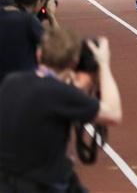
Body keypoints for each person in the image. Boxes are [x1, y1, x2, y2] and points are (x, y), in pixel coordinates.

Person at [0, 28, 122, 192]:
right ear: (73, 62)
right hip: (40, 184)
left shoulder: (11, 81)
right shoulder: (59, 93)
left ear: (39, 54)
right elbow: (113, 114)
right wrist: (104, 64)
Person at [0, 0, 57, 84]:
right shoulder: (29, 22)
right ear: (40, 1)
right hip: (17, 87)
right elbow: (60, 49)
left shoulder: (3, 4)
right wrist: (51, 16)